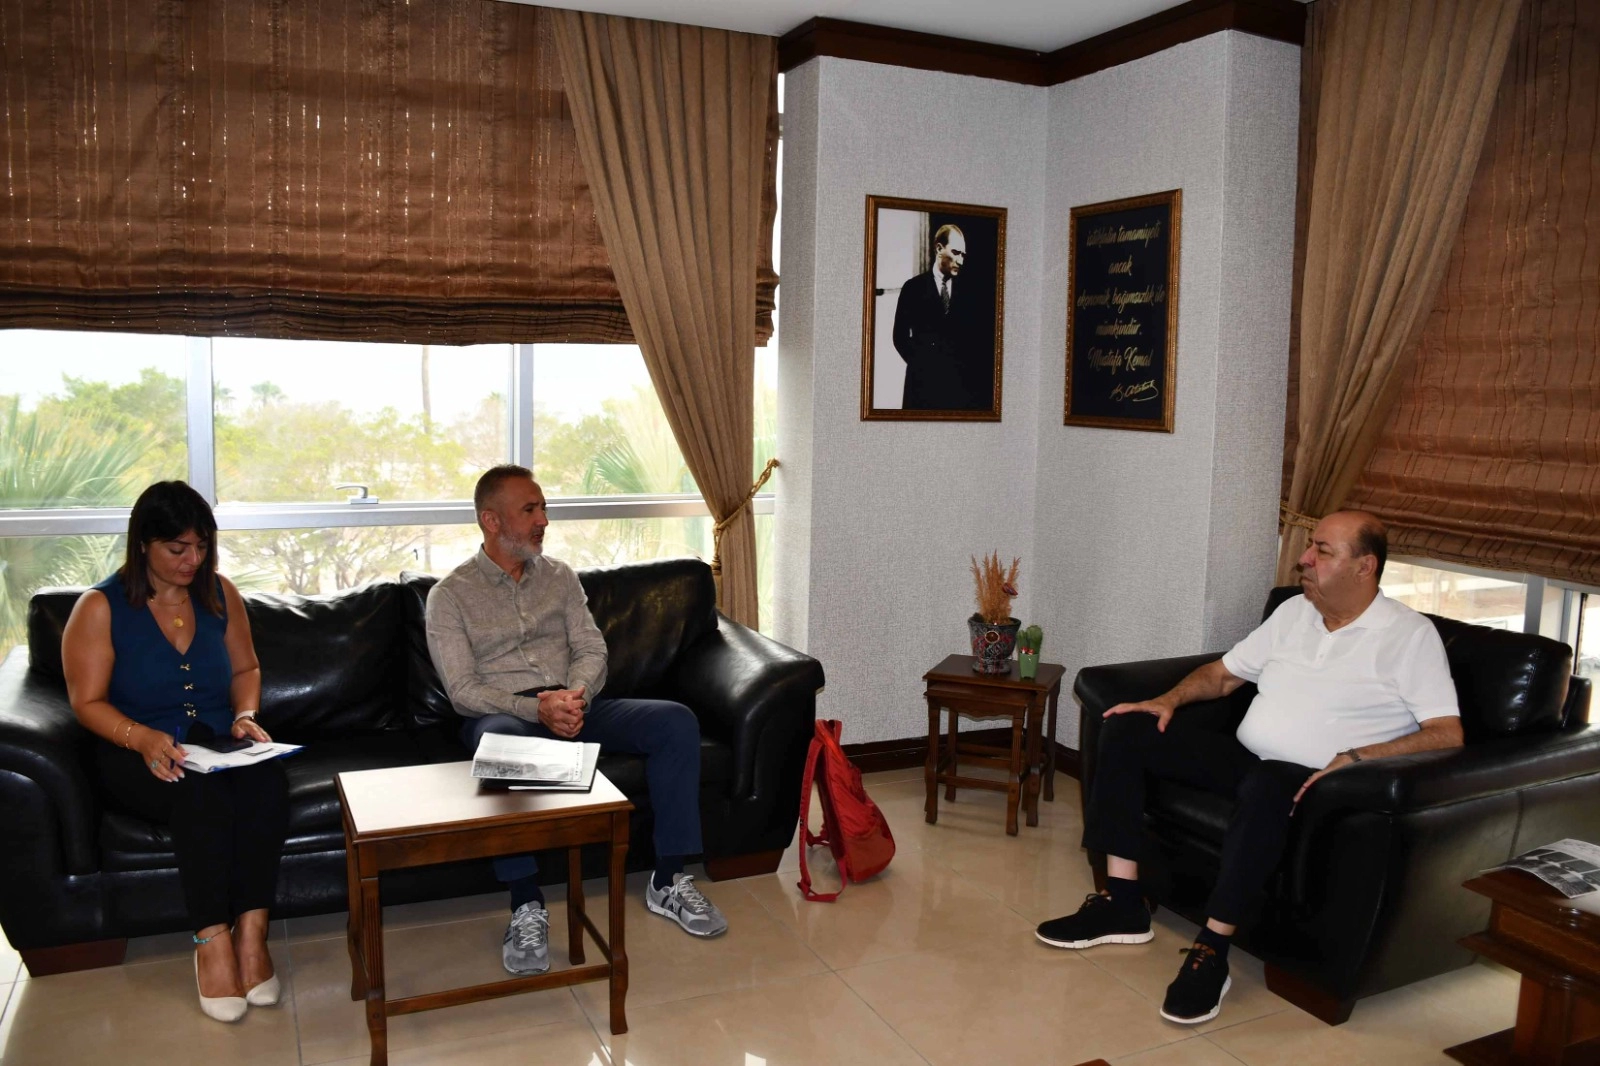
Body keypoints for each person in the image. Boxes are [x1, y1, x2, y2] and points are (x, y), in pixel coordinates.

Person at [1036, 511, 1463, 1025]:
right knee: (1127, 726)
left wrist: (1358, 757)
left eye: (1323, 551)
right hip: (1247, 760)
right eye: (1310, 545)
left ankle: (1212, 949)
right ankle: (1123, 901)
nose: (1304, 558)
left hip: (1315, 785)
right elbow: (1222, 676)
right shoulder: (1294, 612)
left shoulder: (1409, 636)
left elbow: (1447, 733)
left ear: (1364, 566)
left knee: (1269, 782)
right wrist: (1167, 700)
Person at [425, 464, 727, 977]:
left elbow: (591, 648)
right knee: (501, 742)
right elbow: (463, 691)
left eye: (544, 508)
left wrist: (576, 697)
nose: (543, 520)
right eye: (530, 510)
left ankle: (668, 879)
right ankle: (526, 902)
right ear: (491, 521)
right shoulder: (450, 596)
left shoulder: (560, 577)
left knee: (674, 721)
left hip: (576, 702)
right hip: (506, 714)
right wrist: (536, 709)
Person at [61, 481, 289, 1024]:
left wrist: (245, 715)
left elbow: (246, 668)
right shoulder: (99, 607)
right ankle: (212, 941)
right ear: (143, 543)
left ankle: (252, 933)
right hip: (133, 748)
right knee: (199, 795)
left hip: (216, 739)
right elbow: (86, 702)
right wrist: (141, 737)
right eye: (177, 548)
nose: (193, 560)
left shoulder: (220, 593)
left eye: (202, 546)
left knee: (267, 781)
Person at [892, 223, 987, 409]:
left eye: (963, 255)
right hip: (920, 388)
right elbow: (899, 337)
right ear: (938, 249)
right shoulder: (913, 288)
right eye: (956, 252)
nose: (960, 261)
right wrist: (921, 364)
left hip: (957, 391)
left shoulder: (969, 292)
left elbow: (975, 340)